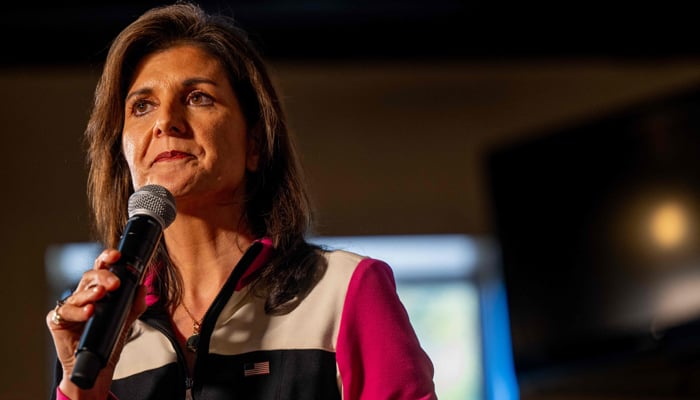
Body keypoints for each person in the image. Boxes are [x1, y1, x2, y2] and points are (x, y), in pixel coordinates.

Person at [45, 2, 437, 399]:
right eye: (142, 106)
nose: (165, 121)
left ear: (255, 144)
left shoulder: (344, 290)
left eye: (198, 97)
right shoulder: (105, 333)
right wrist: (85, 390)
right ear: (123, 153)